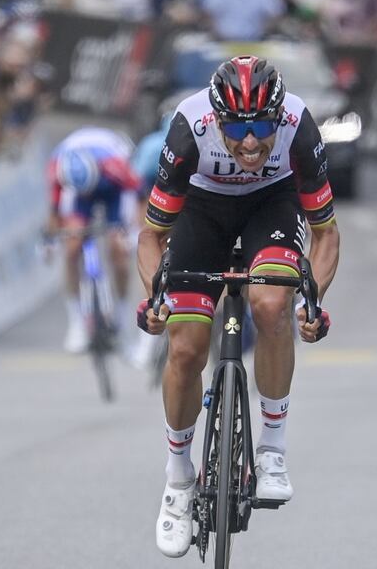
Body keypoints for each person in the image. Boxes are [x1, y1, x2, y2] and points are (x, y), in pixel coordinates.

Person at [136, 56, 340, 558]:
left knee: (271, 304)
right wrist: (154, 298)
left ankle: (271, 448)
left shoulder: (299, 124)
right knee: (184, 349)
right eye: (239, 128)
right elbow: (152, 234)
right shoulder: (189, 129)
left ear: (278, 118)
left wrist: (313, 303)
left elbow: (325, 233)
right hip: (200, 212)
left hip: (271, 204)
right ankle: (179, 478)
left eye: (262, 126)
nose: (251, 142)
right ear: (218, 119)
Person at [46, 127, 140, 353]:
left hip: (112, 189)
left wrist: (133, 232)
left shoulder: (115, 167)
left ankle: (122, 317)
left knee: (119, 250)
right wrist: (50, 241)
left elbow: (139, 197)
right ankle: (76, 321)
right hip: (77, 191)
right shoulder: (57, 169)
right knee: (71, 248)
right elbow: (55, 212)